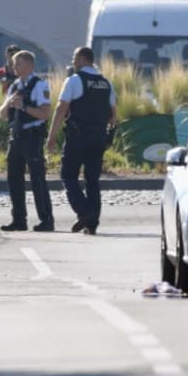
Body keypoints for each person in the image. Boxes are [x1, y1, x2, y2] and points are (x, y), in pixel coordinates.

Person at [47, 47, 117, 235]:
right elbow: (113, 117)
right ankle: (92, 224)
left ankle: (85, 212)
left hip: (78, 136)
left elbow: (61, 109)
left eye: (74, 58)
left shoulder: (74, 80)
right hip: (99, 137)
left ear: (81, 58)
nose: (72, 61)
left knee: (68, 176)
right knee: (92, 179)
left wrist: (51, 137)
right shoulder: (106, 83)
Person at [0, 50, 54, 232]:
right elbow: (2, 114)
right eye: (14, 64)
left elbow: (44, 113)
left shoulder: (40, 85)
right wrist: (9, 103)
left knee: (37, 178)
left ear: (29, 66)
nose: (14, 67)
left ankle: (46, 219)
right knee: (14, 178)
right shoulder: (14, 86)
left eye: (18, 64)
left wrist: (23, 106)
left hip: (32, 136)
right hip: (16, 136)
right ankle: (19, 220)